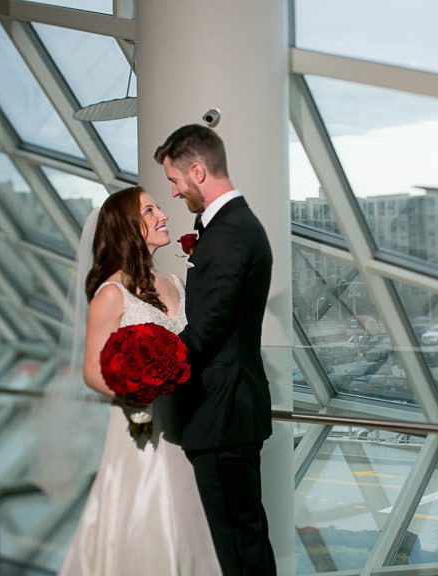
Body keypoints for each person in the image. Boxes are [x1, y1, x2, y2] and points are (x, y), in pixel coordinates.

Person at [59, 186, 221, 575]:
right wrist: (139, 390)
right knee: (146, 521)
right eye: (149, 211)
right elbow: (92, 371)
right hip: (140, 428)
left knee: (187, 527)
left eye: (158, 208)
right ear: (128, 227)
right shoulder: (111, 294)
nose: (163, 216)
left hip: (185, 425)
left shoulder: (175, 283)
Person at [154, 124, 276, 575]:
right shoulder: (236, 226)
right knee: (242, 540)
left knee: (236, 550)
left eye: (175, 180)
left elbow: (205, 332)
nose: (174, 191)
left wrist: (147, 372)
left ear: (198, 171)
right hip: (230, 411)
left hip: (222, 414)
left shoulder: (228, 234)